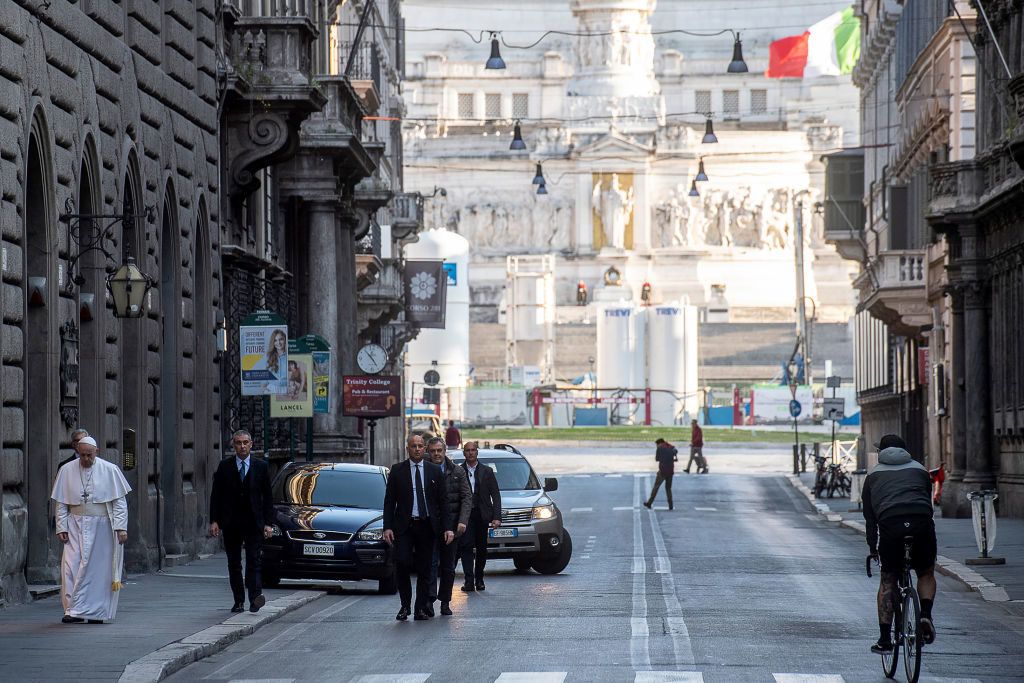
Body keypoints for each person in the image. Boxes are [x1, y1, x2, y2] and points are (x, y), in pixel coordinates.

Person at [862, 434, 937, 653]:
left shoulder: (873, 475)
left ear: (880, 453)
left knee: (888, 580)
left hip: (891, 527)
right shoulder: (921, 470)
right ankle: (925, 615)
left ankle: (885, 639)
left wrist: (872, 547)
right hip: (921, 523)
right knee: (925, 572)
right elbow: (927, 499)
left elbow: (870, 517)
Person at [51, 436, 131, 624]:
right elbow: (61, 502)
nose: (85, 459)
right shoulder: (67, 470)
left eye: (89, 455)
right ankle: (72, 611)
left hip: (102, 526)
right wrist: (61, 526)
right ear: (77, 452)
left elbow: (119, 503)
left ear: (97, 452)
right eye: (82, 455)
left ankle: (95, 612)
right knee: (71, 567)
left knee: (98, 571)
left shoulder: (110, 470)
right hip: (75, 524)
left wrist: (121, 528)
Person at [382, 434, 453, 621]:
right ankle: (405, 605)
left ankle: (420, 607)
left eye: (421, 446)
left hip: (427, 525)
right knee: (403, 564)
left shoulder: (434, 471)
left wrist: (447, 528)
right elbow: (389, 502)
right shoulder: (397, 471)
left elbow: (443, 502)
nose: (417, 449)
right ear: (408, 448)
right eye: (414, 446)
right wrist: (387, 527)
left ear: (425, 449)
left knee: (425, 568)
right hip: (404, 526)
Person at [209, 430, 274, 614]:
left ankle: (255, 598)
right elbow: (216, 496)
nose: (242, 446)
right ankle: (238, 601)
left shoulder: (261, 466)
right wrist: (214, 520)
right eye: (238, 443)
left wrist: (268, 523)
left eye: (245, 442)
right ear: (233, 445)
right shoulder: (225, 466)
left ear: (251, 444)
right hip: (231, 522)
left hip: (254, 521)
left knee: (254, 560)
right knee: (234, 563)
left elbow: (267, 497)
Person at [426, 437, 471, 616]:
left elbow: (467, 498)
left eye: (440, 450)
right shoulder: (424, 471)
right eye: (433, 451)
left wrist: (462, 521)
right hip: (430, 528)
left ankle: (445, 601)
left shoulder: (457, 471)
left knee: (448, 567)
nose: (437, 454)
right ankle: (429, 601)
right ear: (429, 452)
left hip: (451, 528)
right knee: (430, 565)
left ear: (445, 451)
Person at [460, 441, 502, 592]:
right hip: (466, 516)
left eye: (473, 450)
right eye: (467, 450)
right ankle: (469, 580)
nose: (470, 453)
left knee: (482, 548)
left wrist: (497, 517)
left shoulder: (487, 471)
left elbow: (495, 495)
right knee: (466, 547)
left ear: (477, 452)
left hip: (482, 514)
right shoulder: (458, 471)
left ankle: (480, 579)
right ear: (464, 453)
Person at [643, 438, 677, 510]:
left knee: (656, 487)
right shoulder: (670, 447)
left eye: (657, 445)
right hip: (670, 470)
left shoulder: (660, 449)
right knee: (668, 488)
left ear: (660, 443)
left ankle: (649, 503)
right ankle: (670, 505)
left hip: (662, 471)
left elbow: (657, 459)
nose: (657, 446)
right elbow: (675, 452)